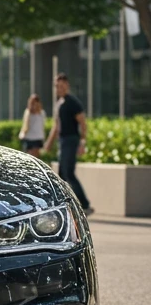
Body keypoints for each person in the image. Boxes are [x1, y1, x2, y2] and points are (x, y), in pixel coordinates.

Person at [42, 73, 93, 214]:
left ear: (67, 86)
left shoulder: (73, 102)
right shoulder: (59, 104)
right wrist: (48, 144)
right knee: (62, 175)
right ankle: (64, 207)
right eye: (57, 86)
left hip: (71, 140)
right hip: (63, 142)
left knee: (68, 173)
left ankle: (85, 205)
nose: (60, 89)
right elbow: (56, 127)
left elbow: (82, 123)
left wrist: (82, 142)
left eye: (62, 86)